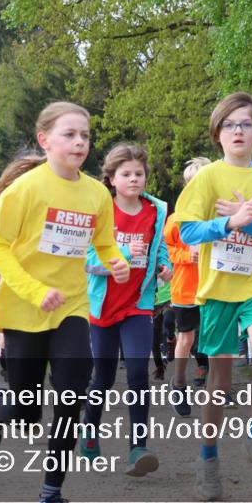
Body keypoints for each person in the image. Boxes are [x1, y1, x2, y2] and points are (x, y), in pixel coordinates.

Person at [0, 101, 130, 503]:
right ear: (45, 140)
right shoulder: (23, 191)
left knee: (71, 398)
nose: (80, 142)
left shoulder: (97, 193)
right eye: (70, 134)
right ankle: (1, 404)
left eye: (85, 136)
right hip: (25, 307)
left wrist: (115, 261)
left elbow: (102, 243)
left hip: (72, 308)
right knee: (27, 411)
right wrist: (33, 288)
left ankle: (51, 497)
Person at [174, 92, 252, 501]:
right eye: (230, 124)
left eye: (245, 124)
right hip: (217, 292)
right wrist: (228, 222)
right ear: (218, 134)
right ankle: (207, 458)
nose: (238, 131)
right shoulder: (208, 179)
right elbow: (186, 232)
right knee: (219, 382)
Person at [80, 143, 172, 478]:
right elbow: (87, 259)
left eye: (139, 173)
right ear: (111, 178)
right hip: (103, 305)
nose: (134, 179)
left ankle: (138, 448)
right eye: (126, 174)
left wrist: (164, 265)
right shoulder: (99, 210)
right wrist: (121, 250)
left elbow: (159, 246)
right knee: (102, 377)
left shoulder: (155, 211)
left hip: (138, 304)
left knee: (137, 373)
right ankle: (89, 432)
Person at [164, 156, 212, 416]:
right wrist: (185, 256)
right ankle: (179, 382)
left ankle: (217, 386)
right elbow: (165, 250)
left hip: (213, 285)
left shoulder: (217, 216)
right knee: (187, 337)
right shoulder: (176, 219)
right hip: (185, 287)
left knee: (216, 337)